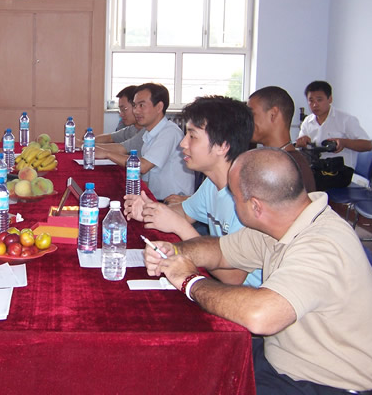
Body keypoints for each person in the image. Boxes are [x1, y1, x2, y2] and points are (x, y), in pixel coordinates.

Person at [143, 148, 372, 394]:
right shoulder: (283, 222)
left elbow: (260, 316)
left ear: (255, 206)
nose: (232, 202)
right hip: (281, 360)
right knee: (184, 365)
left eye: (234, 196)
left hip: (327, 383)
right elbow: (221, 250)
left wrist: (190, 281)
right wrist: (176, 251)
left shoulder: (321, 247)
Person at [125, 95, 261, 287]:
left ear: (222, 146)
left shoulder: (249, 199)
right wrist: (149, 210)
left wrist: (179, 226)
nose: (183, 144)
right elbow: (185, 212)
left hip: (249, 295)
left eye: (192, 136)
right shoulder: (212, 183)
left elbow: (233, 277)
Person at [96, 83, 194, 201]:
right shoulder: (148, 133)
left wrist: (107, 154)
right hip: (155, 199)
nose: (136, 111)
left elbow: (143, 166)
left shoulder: (170, 132)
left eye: (141, 105)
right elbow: (146, 180)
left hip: (174, 203)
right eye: (134, 106)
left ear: (159, 107)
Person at [295, 80, 372, 190]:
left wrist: (344, 142)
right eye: (311, 101)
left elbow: (368, 145)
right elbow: (300, 145)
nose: (315, 105)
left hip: (340, 171)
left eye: (319, 100)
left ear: (330, 99)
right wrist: (301, 142)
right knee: (291, 176)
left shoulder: (345, 119)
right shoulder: (307, 121)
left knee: (307, 183)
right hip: (317, 167)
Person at [247, 86, 316, 192]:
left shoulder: (292, 167)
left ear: (273, 114)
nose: (247, 122)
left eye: (252, 115)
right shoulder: (269, 159)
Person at [86, 85, 145, 155]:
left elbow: (121, 149)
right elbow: (110, 137)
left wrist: (85, 145)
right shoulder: (133, 128)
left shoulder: (146, 131)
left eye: (124, 109)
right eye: (120, 110)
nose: (121, 114)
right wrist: (86, 142)